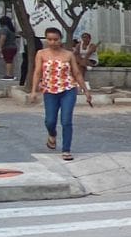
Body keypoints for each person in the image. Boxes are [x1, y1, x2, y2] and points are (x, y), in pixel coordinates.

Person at [33, 26, 91, 161]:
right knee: (50, 120)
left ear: (60, 39)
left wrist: (86, 91)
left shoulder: (68, 54)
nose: (53, 42)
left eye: (56, 39)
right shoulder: (41, 54)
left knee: (66, 120)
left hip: (68, 89)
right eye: (50, 39)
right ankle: (52, 135)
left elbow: (76, 73)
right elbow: (37, 72)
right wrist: (34, 91)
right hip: (50, 90)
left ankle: (66, 149)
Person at [0, 15, 18, 79]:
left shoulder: (4, 29)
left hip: (7, 47)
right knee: (10, 60)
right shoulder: (11, 28)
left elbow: (2, 38)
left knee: (8, 61)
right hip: (13, 47)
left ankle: (8, 74)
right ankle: (10, 74)